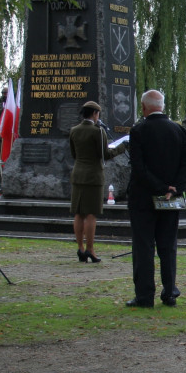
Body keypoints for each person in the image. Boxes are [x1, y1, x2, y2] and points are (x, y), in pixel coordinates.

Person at [126, 90, 186, 308]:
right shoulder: (178, 130)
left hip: (143, 197)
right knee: (168, 245)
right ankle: (170, 291)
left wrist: (160, 187)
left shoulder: (138, 130)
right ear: (162, 106)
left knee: (144, 247)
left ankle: (145, 295)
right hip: (170, 199)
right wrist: (174, 189)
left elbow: (139, 167)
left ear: (144, 108)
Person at [69, 101, 118, 263]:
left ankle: (80, 248)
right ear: (95, 113)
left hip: (78, 174)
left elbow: (74, 154)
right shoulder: (98, 132)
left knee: (78, 212)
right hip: (94, 176)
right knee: (91, 213)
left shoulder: (74, 131)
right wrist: (122, 147)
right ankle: (90, 249)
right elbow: (105, 154)